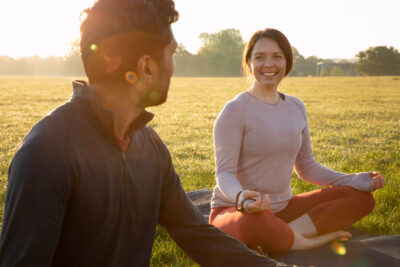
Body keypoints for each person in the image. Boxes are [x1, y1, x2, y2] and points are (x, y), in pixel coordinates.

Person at [0, 3, 303, 266]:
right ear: (146, 68)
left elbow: (196, 233)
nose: (173, 66)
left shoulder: (149, 146)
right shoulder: (45, 155)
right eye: (171, 54)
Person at [209, 28, 386, 255]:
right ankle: (305, 240)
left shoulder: (295, 107)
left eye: (277, 56)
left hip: (283, 208)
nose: (268, 64)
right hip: (237, 211)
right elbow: (224, 173)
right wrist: (242, 198)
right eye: (259, 57)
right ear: (249, 63)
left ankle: (283, 235)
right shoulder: (235, 110)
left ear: (287, 61)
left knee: (361, 199)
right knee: (257, 222)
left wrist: (352, 179)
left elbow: (307, 167)